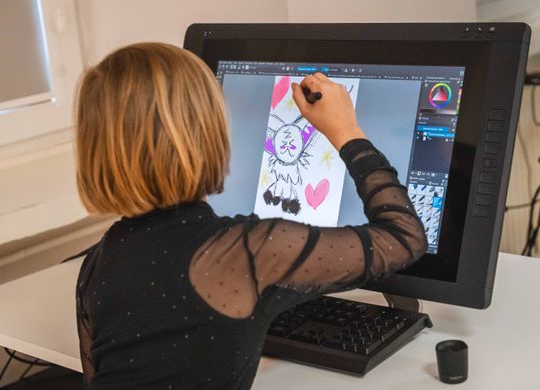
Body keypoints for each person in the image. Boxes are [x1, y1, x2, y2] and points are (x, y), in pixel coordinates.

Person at [75, 42, 427, 389]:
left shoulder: (96, 263)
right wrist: (346, 131)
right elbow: (403, 238)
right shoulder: (245, 252)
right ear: (207, 136)